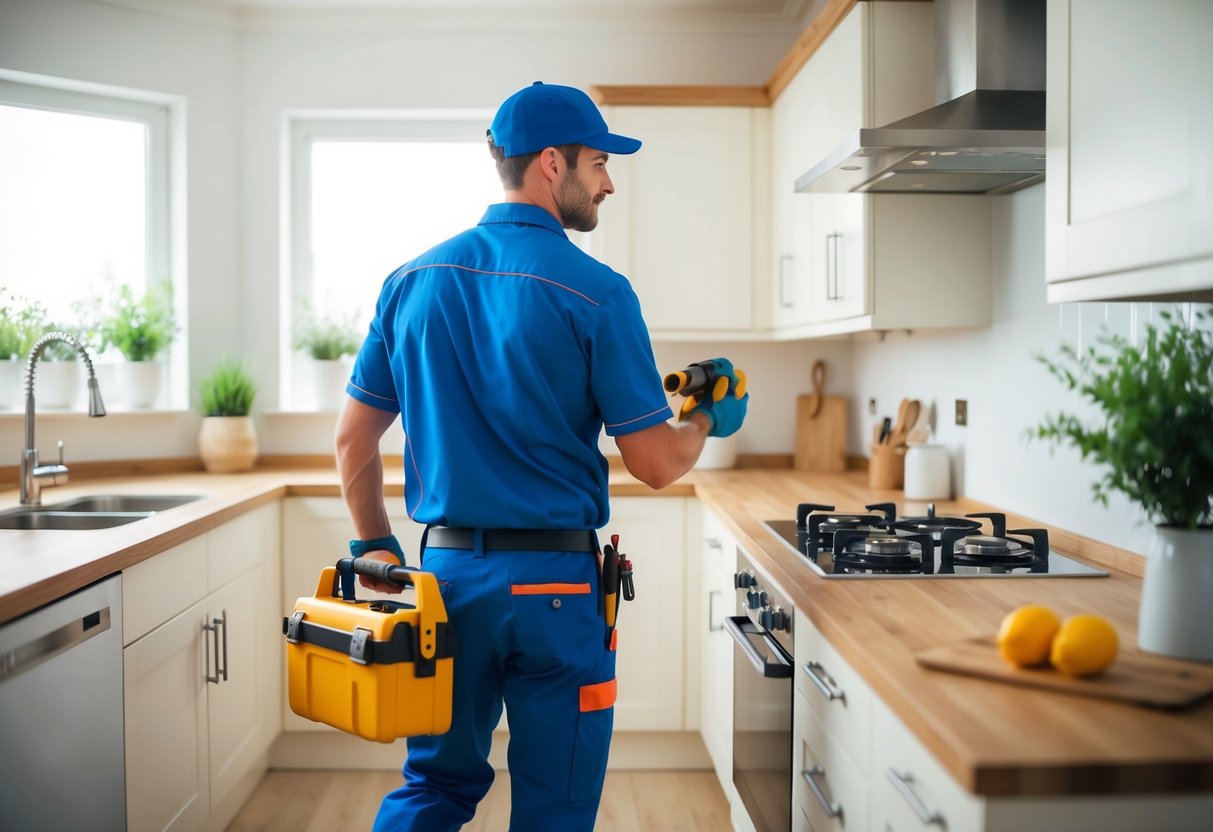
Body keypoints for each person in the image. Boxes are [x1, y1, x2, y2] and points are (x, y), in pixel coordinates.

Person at [334, 80, 749, 832]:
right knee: (554, 808)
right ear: (551, 165)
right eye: (597, 162)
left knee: (434, 786)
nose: (608, 181)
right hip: (555, 591)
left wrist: (372, 546)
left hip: (445, 582)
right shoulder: (596, 292)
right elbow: (656, 462)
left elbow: (352, 438)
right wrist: (707, 422)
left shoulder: (409, 283)